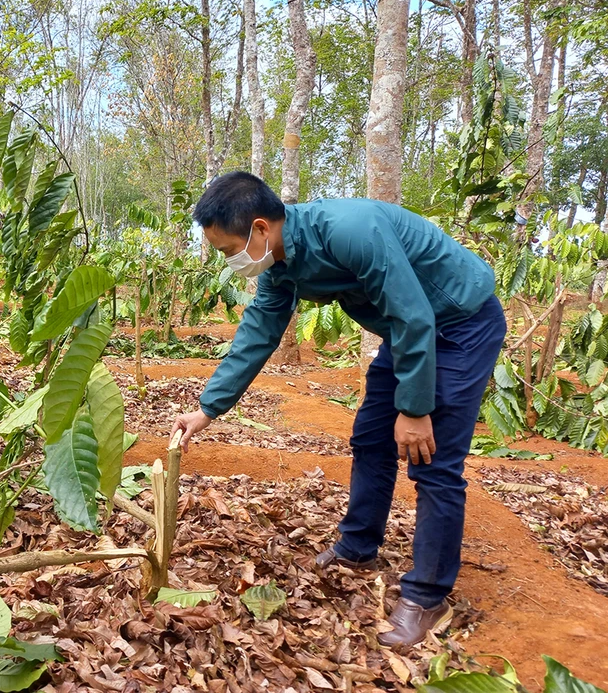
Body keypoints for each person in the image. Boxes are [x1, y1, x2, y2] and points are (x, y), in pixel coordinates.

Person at [171, 171, 506, 647]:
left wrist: (414, 410)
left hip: (460, 324)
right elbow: (258, 335)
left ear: (261, 229)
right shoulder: (280, 264)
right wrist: (208, 409)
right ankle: (357, 546)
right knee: (371, 438)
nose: (231, 261)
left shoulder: (350, 229)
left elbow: (415, 313)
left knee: (432, 459)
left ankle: (428, 594)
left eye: (229, 250)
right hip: (406, 331)